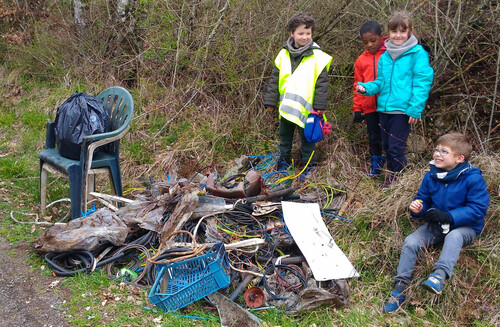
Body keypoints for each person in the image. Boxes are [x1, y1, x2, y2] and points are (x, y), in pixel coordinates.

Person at [383, 132, 489, 313]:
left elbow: (478, 208)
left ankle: (438, 277)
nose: (437, 154)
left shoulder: (472, 178)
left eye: (444, 151)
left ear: (459, 158)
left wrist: (450, 217)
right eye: (436, 150)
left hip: (465, 227)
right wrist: (418, 208)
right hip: (437, 226)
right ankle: (400, 287)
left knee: (455, 236)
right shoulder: (430, 176)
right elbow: (423, 199)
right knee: (411, 241)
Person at [356, 11, 434, 187]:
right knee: (386, 145)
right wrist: (366, 88)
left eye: (402, 31)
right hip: (384, 108)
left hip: (403, 110)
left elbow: (422, 81)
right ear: (388, 33)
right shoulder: (386, 55)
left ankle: (397, 180)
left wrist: (415, 108)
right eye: (394, 31)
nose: (398, 35)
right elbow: (381, 82)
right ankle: (392, 177)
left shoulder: (417, 53)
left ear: (409, 31)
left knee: (396, 147)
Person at [264, 12, 332, 180]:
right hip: (286, 108)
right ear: (292, 33)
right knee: (284, 137)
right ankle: (284, 163)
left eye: (308, 33)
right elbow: (274, 80)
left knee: (308, 139)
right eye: (301, 33)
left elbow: (322, 84)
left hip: (307, 110)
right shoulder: (283, 54)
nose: (305, 37)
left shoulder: (318, 56)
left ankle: (309, 167)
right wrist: (270, 102)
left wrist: (320, 106)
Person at [352, 21, 387, 177]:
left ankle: (392, 165)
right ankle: (376, 166)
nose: (369, 45)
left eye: (373, 40)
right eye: (365, 42)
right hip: (370, 106)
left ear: (381, 37)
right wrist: (357, 108)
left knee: (388, 136)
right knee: (373, 137)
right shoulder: (361, 60)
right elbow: (357, 85)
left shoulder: (389, 55)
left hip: (387, 105)